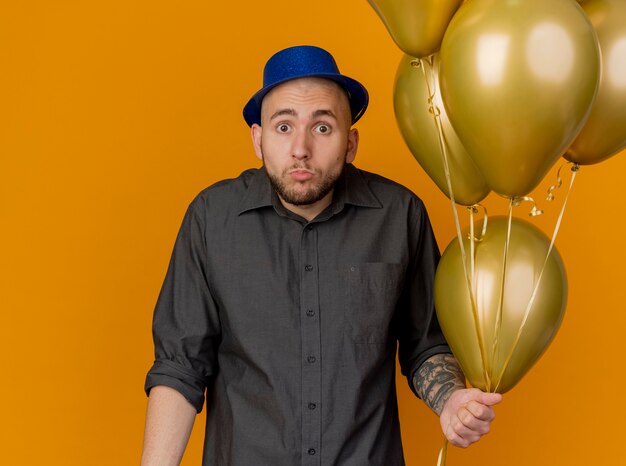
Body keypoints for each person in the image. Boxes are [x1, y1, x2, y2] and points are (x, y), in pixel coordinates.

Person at [141, 45, 501, 466]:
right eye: (283, 126)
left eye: (323, 128)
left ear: (350, 143)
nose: (301, 148)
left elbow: (426, 345)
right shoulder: (211, 219)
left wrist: (451, 399)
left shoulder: (400, 215)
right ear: (257, 140)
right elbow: (180, 367)